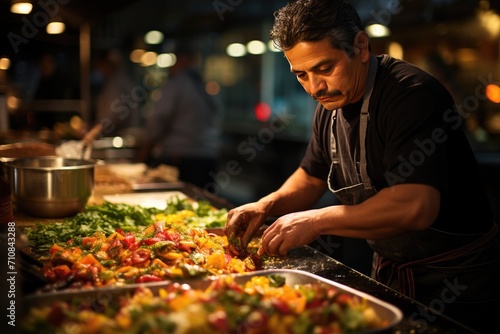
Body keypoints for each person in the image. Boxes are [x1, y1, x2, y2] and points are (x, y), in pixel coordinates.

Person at [223, 1, 500, 332]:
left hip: (459, 279)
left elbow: (416, 206)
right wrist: (266, 205)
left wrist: (315, 221)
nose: (314, 88)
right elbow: (310, 179)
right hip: (391, 272)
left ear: (361, 46)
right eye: (301, 75)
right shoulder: (329, 107)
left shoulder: (412, 95)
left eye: (325, 68)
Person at [137, 43, 222, 189]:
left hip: (181, 159)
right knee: (202, 205)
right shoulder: (203, 85)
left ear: (181, 59)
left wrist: (144, 153)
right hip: (207, 158)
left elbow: (158, 119)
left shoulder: (176, 84)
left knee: (179, 206)